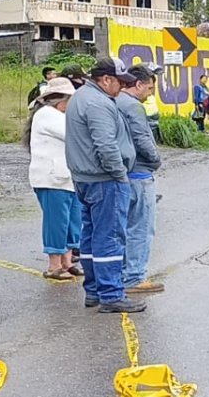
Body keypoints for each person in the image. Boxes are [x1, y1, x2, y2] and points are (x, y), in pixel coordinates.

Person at [65, 57, 144, 313]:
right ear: (105, 79)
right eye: (119, 82)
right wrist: (120, 175)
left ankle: (95, 291)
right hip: (104, 180)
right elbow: (106, 146)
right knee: (109, 237)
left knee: (90, 237)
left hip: (85, 178)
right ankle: (110, 294)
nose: (121, 87)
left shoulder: (80, 97)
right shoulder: (98, 103)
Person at [26, 77, 81, 280]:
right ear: (60, 99)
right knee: (56, 222)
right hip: (51, 178)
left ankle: (67, 262)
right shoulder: (47, 114)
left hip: (66, 178)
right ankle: (54, 265)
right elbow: (74, 134)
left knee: (72, 221)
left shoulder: (57, 114)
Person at [118, 64, 164, 296]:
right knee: (141, 227)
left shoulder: (114, 102)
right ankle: (134, 276)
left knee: (125, 227)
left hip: (123, 173)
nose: (150, 93)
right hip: (139, 173)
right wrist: (156, 159)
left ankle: (123, 272)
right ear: (138, 84)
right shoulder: (133, 107)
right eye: (149, 87)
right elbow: (142, 138)